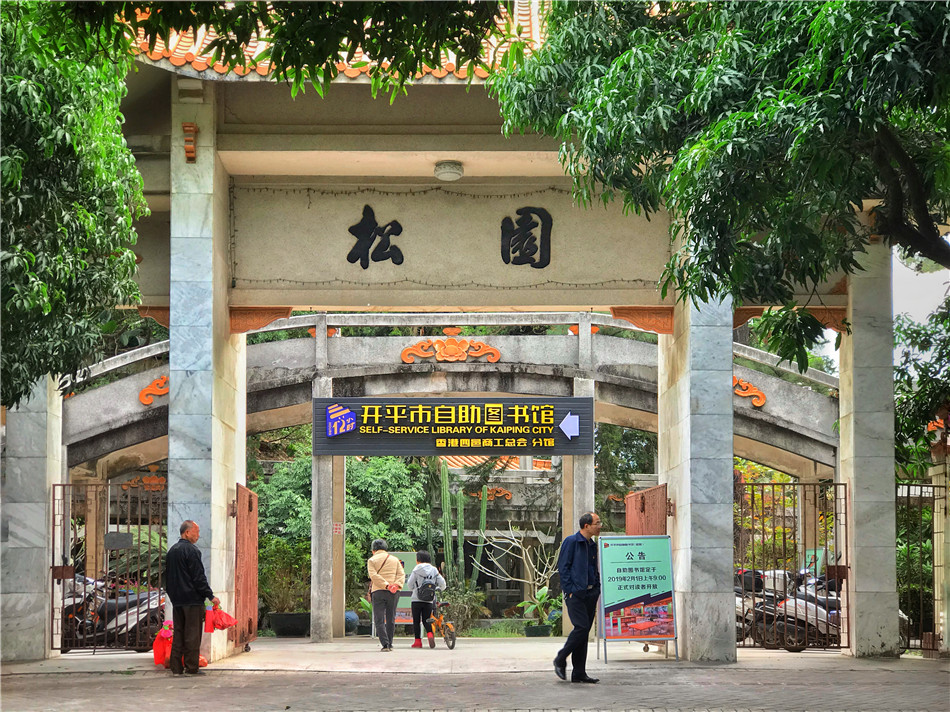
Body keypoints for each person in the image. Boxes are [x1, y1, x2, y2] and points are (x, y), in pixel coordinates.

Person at [553, 511, 603, 684]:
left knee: (584, 632)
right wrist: (570, 590)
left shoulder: (592, 545)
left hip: (590, 593)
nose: (600, 526)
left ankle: (579, 673)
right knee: (581, 627)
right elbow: (563, 568)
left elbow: (593, 568)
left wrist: (597, 587)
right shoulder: (571, 542)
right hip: (576, 594)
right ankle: (560, 658)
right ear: (586, 526)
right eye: (597, 523)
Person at [166, 520, 219, 675]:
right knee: (192, 635)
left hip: (177, 600)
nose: (198, 535)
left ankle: (176, 667)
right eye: (196, 532)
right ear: (187, 532)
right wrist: (209, 595)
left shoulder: (172, 551)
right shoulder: (192, 551)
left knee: (179, 633)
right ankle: (191, 667)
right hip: (192, 599)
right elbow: (198, 577)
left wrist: (173, 595)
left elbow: (168, 577)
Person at [366, 538, 405, 652]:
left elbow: (373, 576)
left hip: (378, 591)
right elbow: (401, 574)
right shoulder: (395, 559)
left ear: (373, 550)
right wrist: (395, 585)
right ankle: (390, 643)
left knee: (379, 619)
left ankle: (385, 644)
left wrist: (386, 585)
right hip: (393, 592)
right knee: (391, 617)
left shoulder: (372, 560)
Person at [405, 550, 446, 648]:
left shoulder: (416, 570)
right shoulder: (434, 570)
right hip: (429, 599)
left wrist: (414, 589)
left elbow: (409, 584)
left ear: (418, 560)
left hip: (416, 599)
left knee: (416, 621)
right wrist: (438, 588)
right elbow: (443, 584)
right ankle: (430, 634)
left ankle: (418, 642)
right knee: (426, 620)